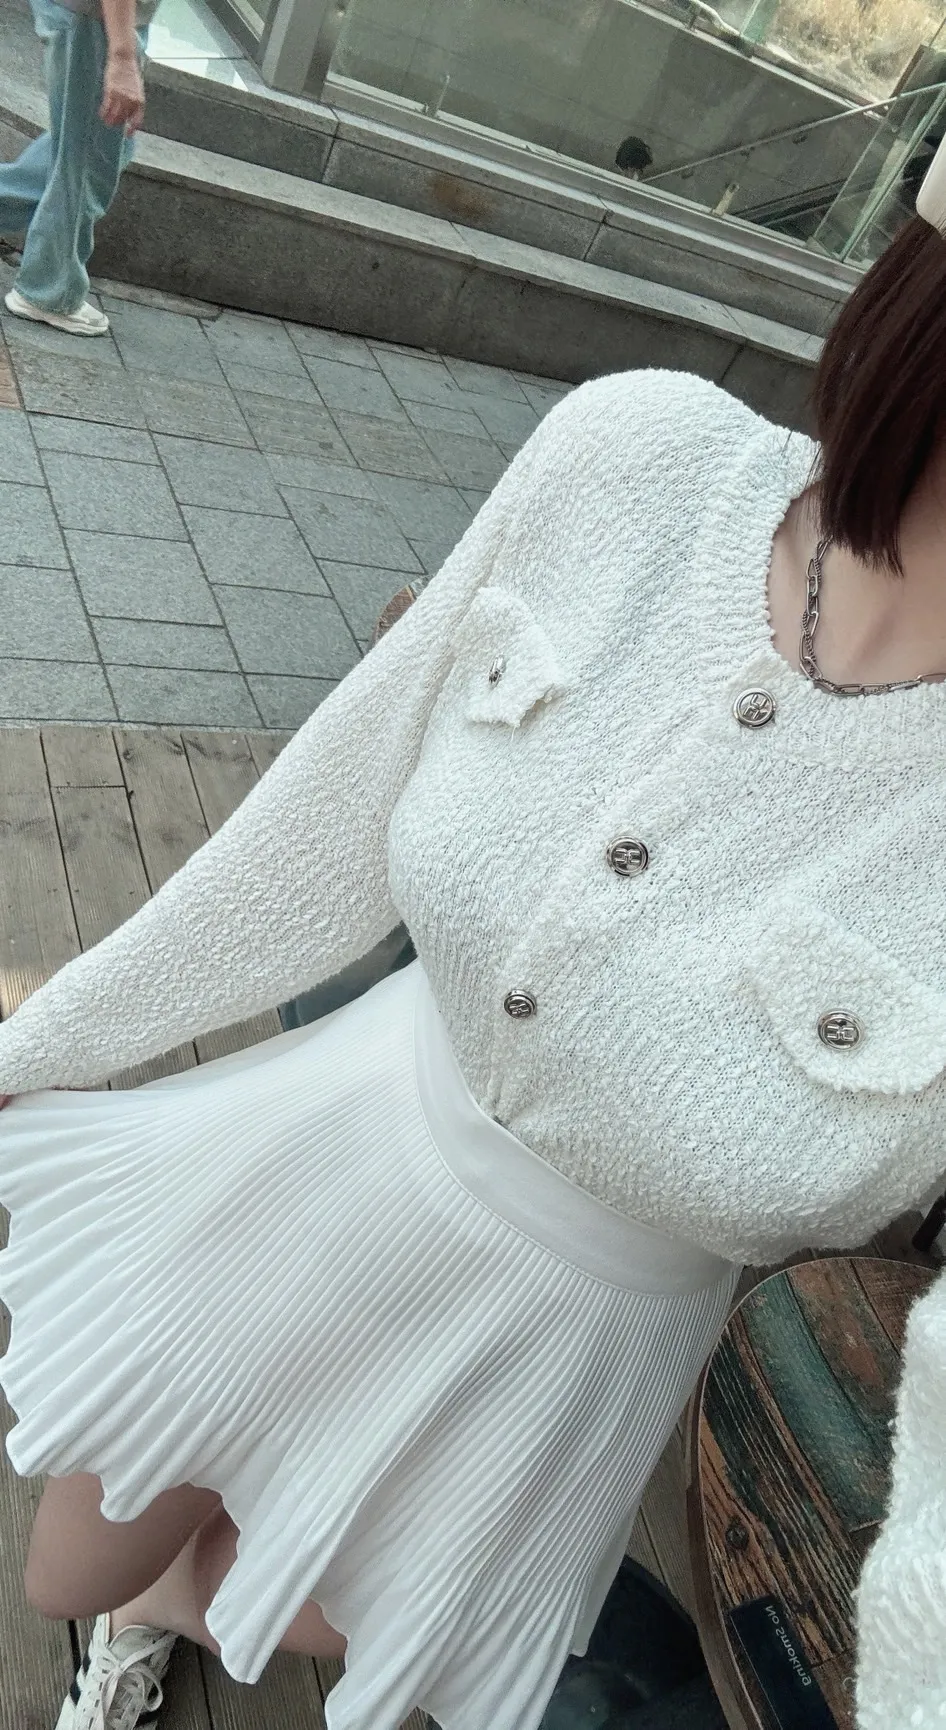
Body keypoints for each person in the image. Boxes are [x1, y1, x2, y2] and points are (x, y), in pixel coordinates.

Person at [3, 139, 946, 1730]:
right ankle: (150, 1603)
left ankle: (193, 1602)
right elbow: (318, 823)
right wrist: (47, 1044)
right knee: (73, 1565)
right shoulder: (638, 462)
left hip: (568, 1343)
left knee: (347, 1604)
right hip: (335, 1145)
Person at [0, 0, 152, 338]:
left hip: (99, 17)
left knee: (81, 150)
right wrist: (122, 56)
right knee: (87, 163)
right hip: (96, 18)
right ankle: (48, 291)